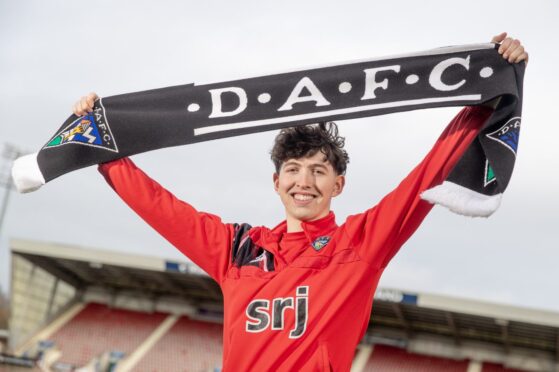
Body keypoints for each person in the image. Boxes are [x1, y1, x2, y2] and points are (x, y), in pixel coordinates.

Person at [73, 33, 527, 371]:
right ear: (276, 183)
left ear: (338, 185)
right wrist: (105, 147)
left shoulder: (360, 244)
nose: (303, 181)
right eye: (292, 169)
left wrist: (485, 98)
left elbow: (423, 178)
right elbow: (160, 207)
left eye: (318, 170)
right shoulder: (236, 248)